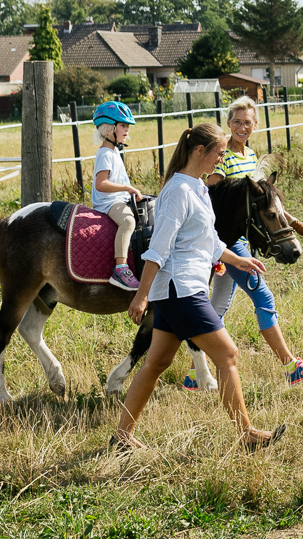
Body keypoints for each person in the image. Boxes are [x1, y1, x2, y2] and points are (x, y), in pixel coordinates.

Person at [114, 121, 283, 451]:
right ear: (198, 151)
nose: (222, 158)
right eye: (219, 152)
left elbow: (209, 240)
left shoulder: (199, 188)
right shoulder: (177, 192)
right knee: (229, 354)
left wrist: (240, 260)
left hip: (181, 288)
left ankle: (122, 436)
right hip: (181, 290)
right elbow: (159, 247)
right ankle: (246, 433)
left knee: (156, 364)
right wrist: (142, 295)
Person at [185, 94, 303, 390]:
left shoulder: (251, 157)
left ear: (255, 125)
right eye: (236, 121)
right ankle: (291, 366)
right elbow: (207, 197)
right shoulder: (222, 157)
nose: (241, 127)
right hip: (228, 242)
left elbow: (264, 204)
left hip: (243, 240)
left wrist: (296, 224)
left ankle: (197, 377)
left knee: (217, 308)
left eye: (246, 122)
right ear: (228, 123)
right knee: (264, 298)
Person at [91, 100, 144, 292]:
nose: (127, 129)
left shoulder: (113, 152)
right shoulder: (105, 153)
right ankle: (120, 269)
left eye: (127, 126)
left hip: (117, 199)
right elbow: (101, 184)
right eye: (123, 125)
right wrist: (127, 188)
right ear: (108, 130)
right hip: (108, 203)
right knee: (128, 222)